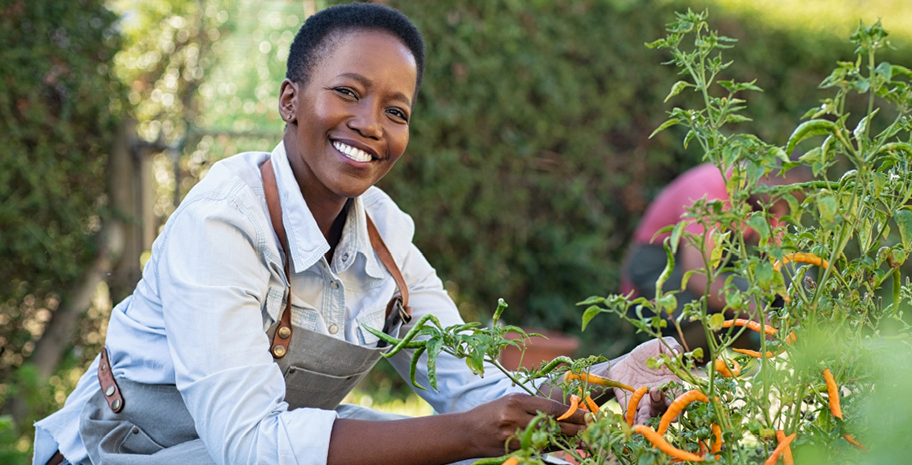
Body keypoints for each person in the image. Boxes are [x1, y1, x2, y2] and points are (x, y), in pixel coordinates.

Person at [34, 4, 681, 465]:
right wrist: (472, 436)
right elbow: (251, 444)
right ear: (290, 100)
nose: (372, 124)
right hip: (121, 451)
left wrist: (607, 382)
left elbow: (477, 391)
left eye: (396, 111)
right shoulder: (222, 224)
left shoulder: (386, 241)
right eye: (348, 92)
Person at [620, 162, 807, 351]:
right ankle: (673, 353)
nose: (782, 208)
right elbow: (697, 275)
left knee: (797, 275)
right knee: (743, 296)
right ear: (763, 177)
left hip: (706, 270)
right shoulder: (709, 191)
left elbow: (781, 260)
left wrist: (796, 311)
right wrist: (759, 315)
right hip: (656, 276)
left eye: (790, 202)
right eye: (781, 199)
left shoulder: (768, 203)